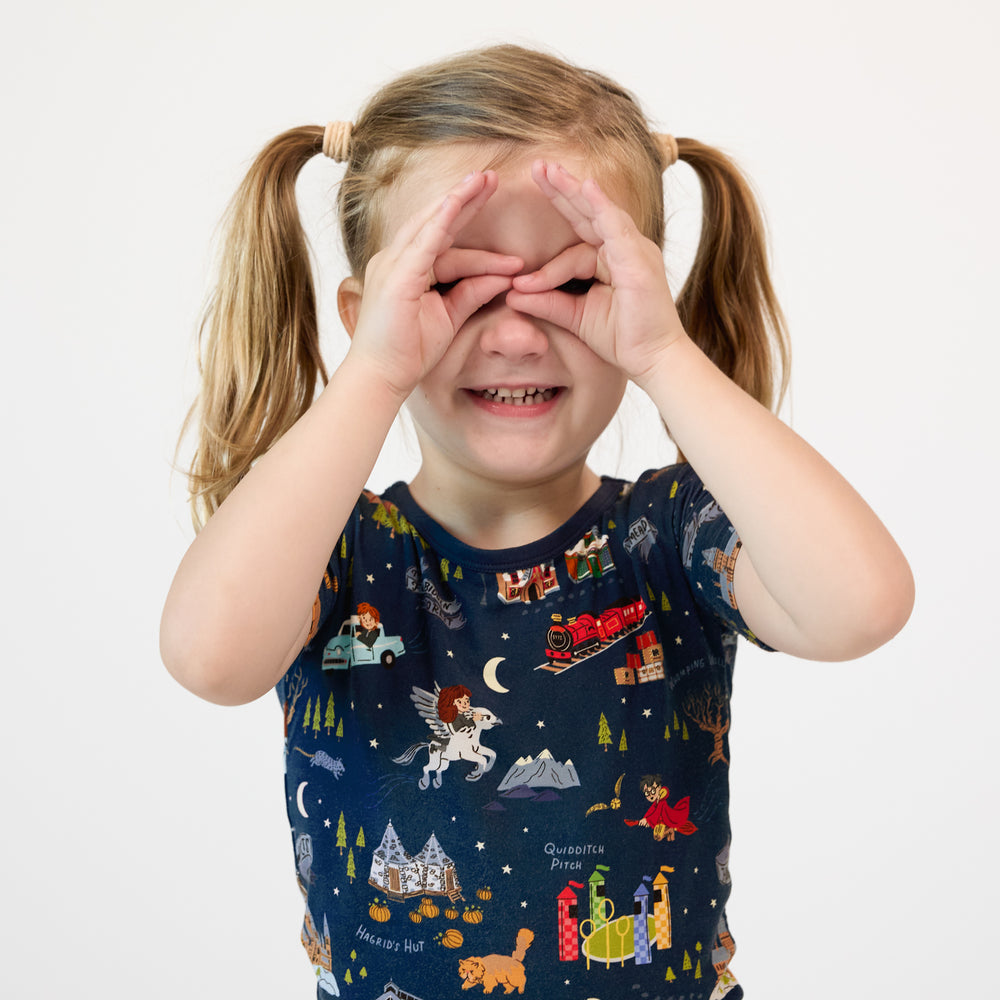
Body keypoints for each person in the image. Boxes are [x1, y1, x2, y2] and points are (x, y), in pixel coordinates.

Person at [160, 44, 913, 1000]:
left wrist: (665, 353)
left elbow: (863, 605)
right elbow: (207, 656)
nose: (515, 332)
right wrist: (374, 373)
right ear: (366, 314)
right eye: (447, 286)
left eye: (571, 285)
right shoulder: (333, 553)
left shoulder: (671, 537)